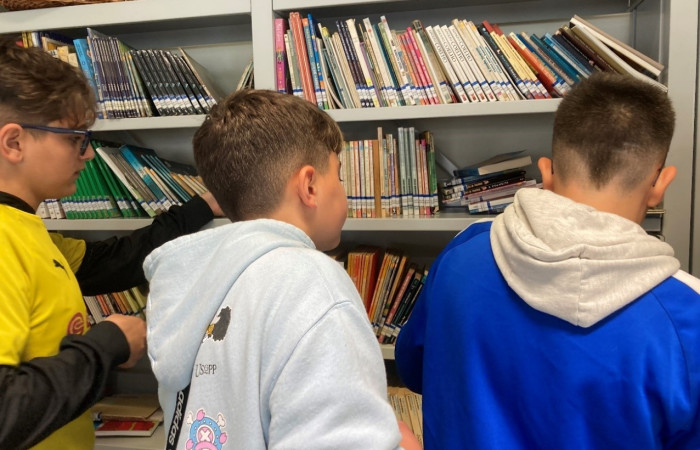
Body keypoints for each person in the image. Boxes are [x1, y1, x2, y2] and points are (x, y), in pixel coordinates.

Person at [395, 72, 700, 449]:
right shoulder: (688, 316)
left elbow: (415, 368)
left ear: (547, 172)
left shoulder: (461, 253)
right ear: (660, 184)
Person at [144, 89, 420, 450]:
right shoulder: (312, 283)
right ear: (310, 186)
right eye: (339, 176)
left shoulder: (194, 282)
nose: (343, 191)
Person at [0, 38, 223, 449]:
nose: (87, 155)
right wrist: (108, 344)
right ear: (14, 143)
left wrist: (202, 207)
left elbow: (112, 262)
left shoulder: (26, 229)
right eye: (75, 138)